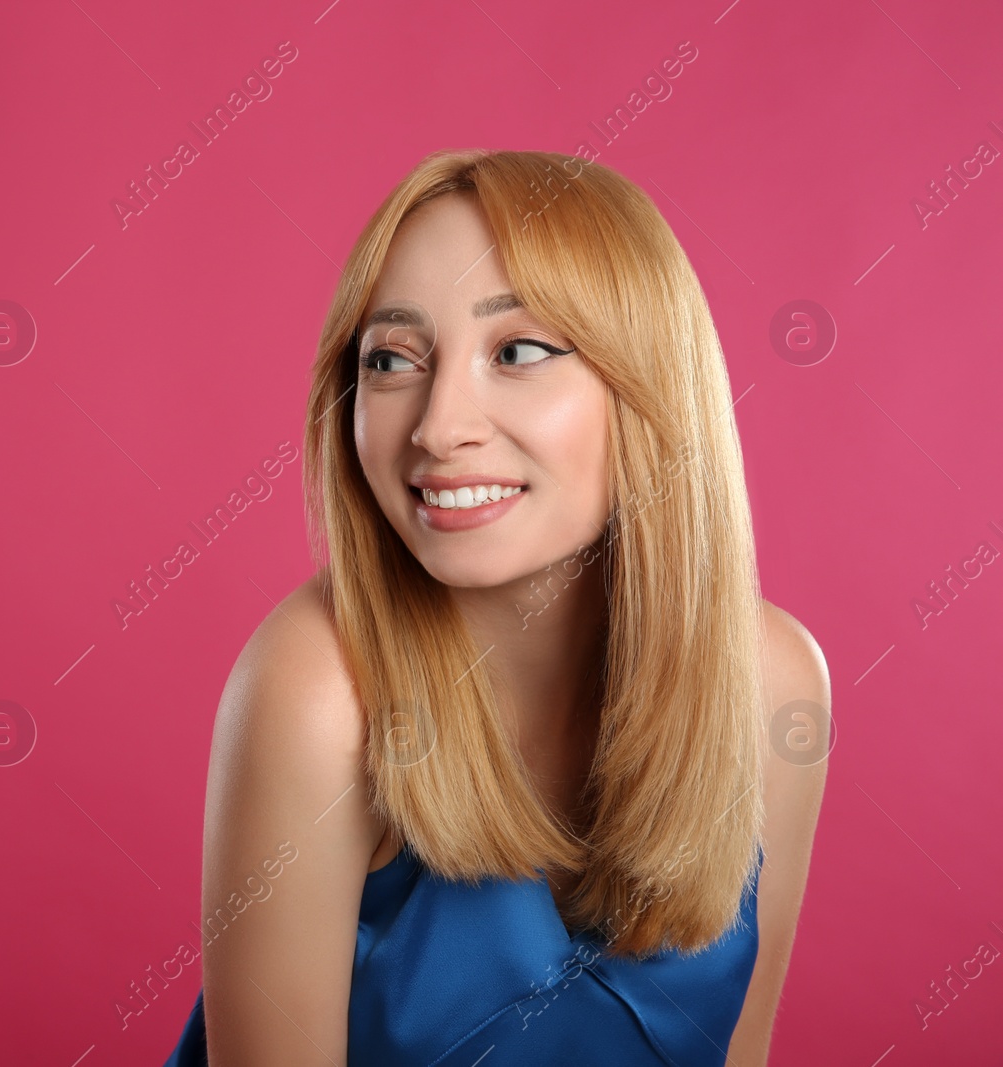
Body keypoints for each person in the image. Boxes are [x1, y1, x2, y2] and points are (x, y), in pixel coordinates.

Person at [160, 149, 829, 1065]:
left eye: (517, 351)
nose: (437, 426)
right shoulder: (314, 692)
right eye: (392, 359)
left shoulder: (777, 685)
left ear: (650, 385)